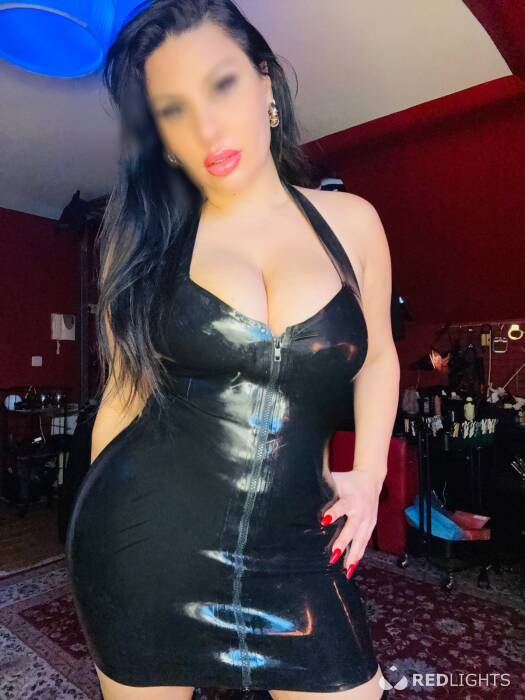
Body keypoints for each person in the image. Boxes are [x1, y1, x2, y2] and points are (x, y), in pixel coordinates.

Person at [65, 2, 400, 699]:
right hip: (142, 549)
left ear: (265, 83)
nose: (207, 128)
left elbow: (376, 358)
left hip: (297, 548)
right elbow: (122, 400)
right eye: (174, 110)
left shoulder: (354, 223)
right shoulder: (146, 244)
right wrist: (88, 537)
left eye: (221, 85)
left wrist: (368, 474)